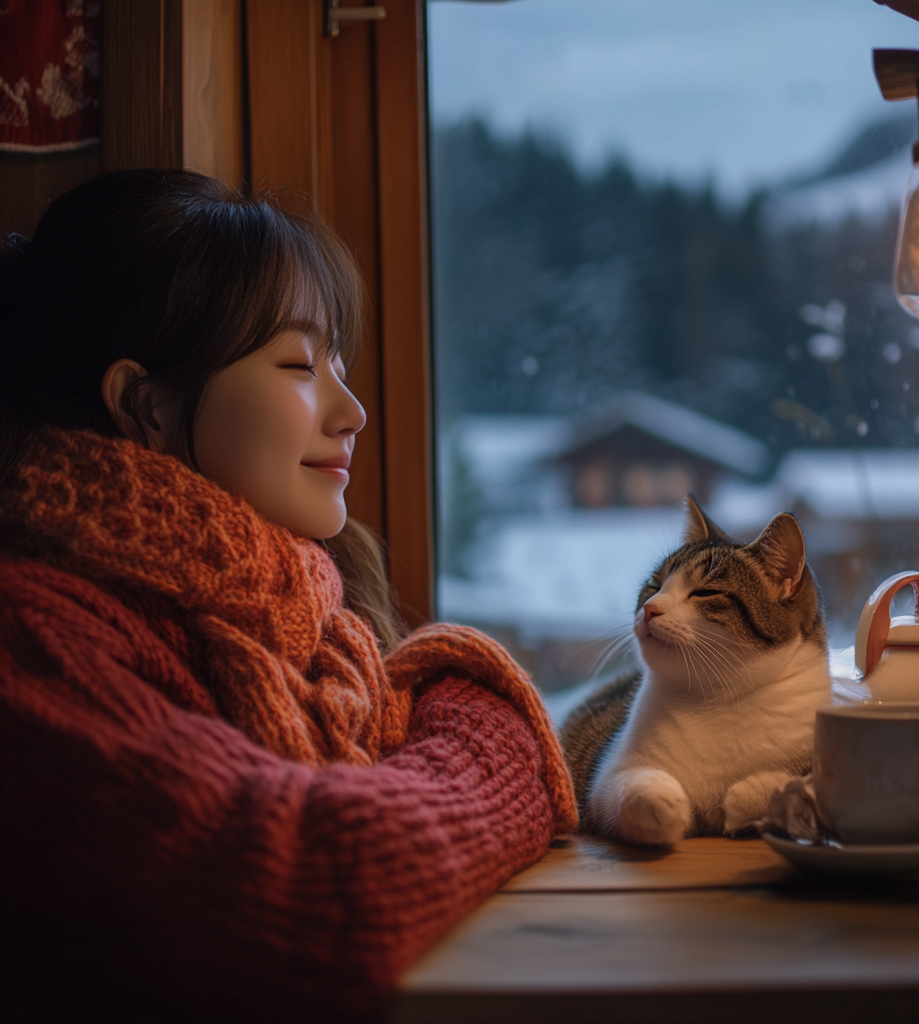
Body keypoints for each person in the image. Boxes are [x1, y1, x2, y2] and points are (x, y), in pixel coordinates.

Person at [0, 170, 576, 1023]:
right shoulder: (35, 634)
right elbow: (321, 881)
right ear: (147, 407)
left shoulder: (311, 622)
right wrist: (477, 710)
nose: (353, 411)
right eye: (301, 363)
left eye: (339, 364)